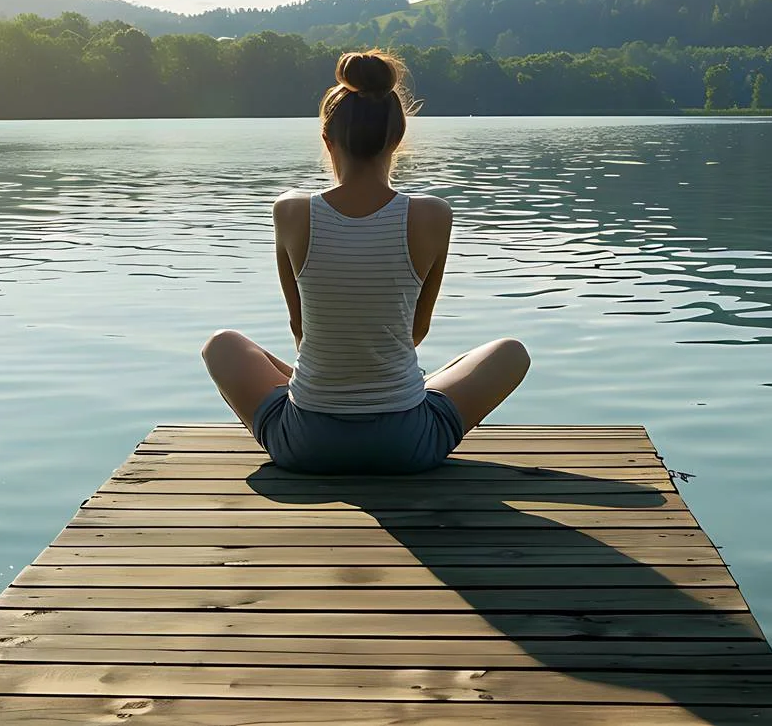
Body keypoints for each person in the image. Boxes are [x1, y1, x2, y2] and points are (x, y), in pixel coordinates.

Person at [201, 49, 530, 475]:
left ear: (327, 139)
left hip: (306, 443)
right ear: (398, 139)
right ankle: (401, 394)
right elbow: (414, 333)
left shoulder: (290, 212)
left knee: (220, 345)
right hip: (407, 444)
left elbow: (301, 333)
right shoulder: (432, 215)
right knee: (511, 353)